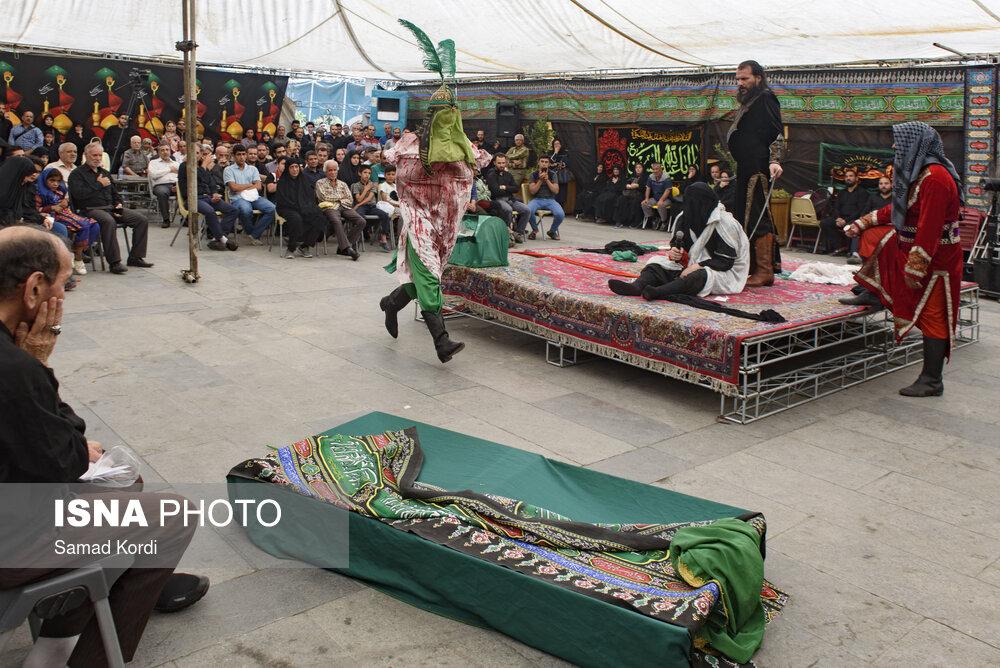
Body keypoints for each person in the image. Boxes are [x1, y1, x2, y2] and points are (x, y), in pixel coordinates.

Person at [0, 226, 208, 668]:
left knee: (124, 482)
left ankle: (123, 583)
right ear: (35, 288)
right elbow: (66, 457)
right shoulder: (14, 368)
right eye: (65, 281)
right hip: (10, 539)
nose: (68, 290)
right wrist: (38, 361)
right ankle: (66, 652)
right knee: (173, 514)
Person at [379, 61, 491, 364]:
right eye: (443, 114)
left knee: (423, 279)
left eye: (452, 115)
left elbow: (479, 163)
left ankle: (390, 304)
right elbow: (387, 158)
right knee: (429, 274)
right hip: (417, 219)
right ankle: (441, 341)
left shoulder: (463, 145)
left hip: (445, 223)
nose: (448, 120)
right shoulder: (411, 141)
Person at [841, 121, 963, 397]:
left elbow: (930, 227)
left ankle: (932, 380)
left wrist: (917, 267)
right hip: (909, 247)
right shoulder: (917, 174)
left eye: (900, 141)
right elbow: (897, 209)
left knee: (934, 316)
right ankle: (874, 293)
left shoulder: (935, 178)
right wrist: (862, 223)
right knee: (884, 244)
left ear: (917, 144)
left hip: (936, 261)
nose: (895, 146)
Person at [609, 183, 749, 300]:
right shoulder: (685, 217)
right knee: (656, 264)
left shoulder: (725, 223)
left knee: (700, 276)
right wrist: (677, 251)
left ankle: (659, 292)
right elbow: (679, 243)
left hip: (720, 269)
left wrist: (697, 266)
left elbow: (726, 261)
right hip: (690, 263)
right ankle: (637, 286)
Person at [727, 59, 785, 287]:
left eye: (745, 79)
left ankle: (765, 270)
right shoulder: (750, 100)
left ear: (758, 78)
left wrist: (775, 160)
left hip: (758, 167)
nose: (740, 83)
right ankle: (750, 266)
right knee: (744, 217)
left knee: (758, 215)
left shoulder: (766, 98)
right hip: (746, 167)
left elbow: (777, 132)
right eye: (738, 79)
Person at [68, 143, 152, 274]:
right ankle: (114, 262)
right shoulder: (77, 174)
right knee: (108, 221)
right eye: (94, 155)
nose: (97, 158)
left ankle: (136, 256)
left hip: (110, 207)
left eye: (100, 155)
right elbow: (79, 195)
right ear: (86, 155)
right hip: (90, 209)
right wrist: (98, 184)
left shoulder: (105, 173)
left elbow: (115, 193)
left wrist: (118, 205)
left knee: (141, 219)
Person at [35, 167, 101, 275]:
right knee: (83, 226)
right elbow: (35, 210)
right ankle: (78, 258)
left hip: (65, 214)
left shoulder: (60, 191)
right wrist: (51, 208)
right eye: (52, 180)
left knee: (94, 225)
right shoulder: (38, 192)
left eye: (58, 181)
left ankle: (76, 251)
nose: (55, 184)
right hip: (53, 217)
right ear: (44, 180)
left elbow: (64, 203)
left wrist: (65, 202)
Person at [179, 144, 239, 251]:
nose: (195, 156)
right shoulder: (184, 166)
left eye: (197, 153)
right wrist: (204, 166)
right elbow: (197, 178)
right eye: (193, 153)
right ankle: (223, 239)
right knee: (210, 211)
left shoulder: (203, 167)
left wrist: (214, 193)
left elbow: (211, 183)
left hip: (207, 198)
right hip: (193, 199)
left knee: (233, 210)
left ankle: (217, 238)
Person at [224, 144, 275, 245]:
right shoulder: (228, 170)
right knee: (246, 210)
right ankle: (252, 233)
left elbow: (259, 186)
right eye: (239, 154)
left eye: (243, 154)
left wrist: (241, 187)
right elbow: (233, 188)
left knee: (272, 209)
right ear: (233, 156)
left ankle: (253, 234)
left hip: (254, 197)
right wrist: (250, 185)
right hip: (238, 198)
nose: (242, 157)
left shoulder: (253, 169)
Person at [273, 159, 325, 259]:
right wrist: (299, 207)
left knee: (319, 217)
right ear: (287, 169)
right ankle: (291, 248)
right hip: (286, 208)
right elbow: (283, 200)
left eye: (296, 167)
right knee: (296, 218)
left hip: (302, 207)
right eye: (292, 167)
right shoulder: (283, 182)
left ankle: (305, 246)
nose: (295, 170)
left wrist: (308, 207)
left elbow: (309, 197)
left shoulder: (303, 180)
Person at [315, 159, 363, 260]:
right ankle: (347, 248)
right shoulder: (320, 183)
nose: (333, 172)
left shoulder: (343, 184)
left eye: (334, 170)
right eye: (330, 170)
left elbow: (349, 200)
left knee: (361, 221)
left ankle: (345, 246)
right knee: (336, 221)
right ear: (325, 172)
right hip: (329, 207)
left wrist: (338, 200)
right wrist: (340, 197)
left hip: (344, 207)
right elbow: (324, 197)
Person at [818, 168, 870, 255]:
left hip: (852, 219)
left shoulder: (862, 193)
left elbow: (860, 210)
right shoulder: (842, 192)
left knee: (850, 226)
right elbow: (836, 207)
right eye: (846, 176)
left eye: (850, 176)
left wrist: (845, 221)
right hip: (840, 218)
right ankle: (839, 247)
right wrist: (838, 218)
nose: (848, 178)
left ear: (857, 179)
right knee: (824, 223)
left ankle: (851, 251)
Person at [486, 153, 531, 240]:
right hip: (497, 200)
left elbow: (515, 189)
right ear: (494, 163)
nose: (501, 165)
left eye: (503, 163)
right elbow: (495, 191)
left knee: (527, 210)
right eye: (499, 163)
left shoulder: (508, 175)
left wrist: (504, 187)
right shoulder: (492, 175)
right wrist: (508, 189)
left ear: (506, 163)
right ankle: (507, 232)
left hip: (510, 199)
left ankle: (518, 233)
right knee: (507, 209)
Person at [352, 164, 392, 251]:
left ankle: (383, 240)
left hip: (371, 206)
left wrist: (358, 204)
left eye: (369, 173)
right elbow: (358, 199)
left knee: (385, 215)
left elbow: (370, 198)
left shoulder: (372, 185)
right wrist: (365, 189)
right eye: (365, 172)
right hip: (361, 207)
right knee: (359, 217)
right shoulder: (356, 185)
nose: (367, 175)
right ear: (360, 173)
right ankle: (357, 239)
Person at [527, 156, 565, 240]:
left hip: (550, 200)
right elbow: (532, 191)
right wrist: (540, 180)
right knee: (528, 210)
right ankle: (534, 230)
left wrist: (547, 180)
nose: (544, 164)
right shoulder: (533, 174)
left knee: (560, 214)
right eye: (542, 161)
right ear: (539, 163)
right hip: (537, 199)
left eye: (546, 162)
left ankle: (552, 231)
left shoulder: (553, 174)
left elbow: (556, 191)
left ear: (549, 164)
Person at [148, 143, 179, 228]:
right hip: (160, 185)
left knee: (185, 190)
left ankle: (186, 218)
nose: (165, 152)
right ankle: (166, 219)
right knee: (162, 193)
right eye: (162, 150)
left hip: (175, 184)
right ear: (158, 152)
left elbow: (181, 176)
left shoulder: (176, 163)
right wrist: (169, 169)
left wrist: (179, 186)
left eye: (167, 150)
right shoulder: (153, 163)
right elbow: (154, 175)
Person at [615, 162, 647, 229]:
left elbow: (646, 188)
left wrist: (638, 186)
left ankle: (635, 221)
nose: (638, 169)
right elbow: (625, 183)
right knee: (621, 199)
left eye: (640, 167)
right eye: (636, 168)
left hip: (640, 194)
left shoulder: (646, 177)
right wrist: (627, 185)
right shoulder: (631, 175)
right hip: (630, 193)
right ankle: (619, 221)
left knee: (635, 202)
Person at [642, 162, 672, 230]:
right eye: (653, 169)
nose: (655, 171)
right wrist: (646, 198)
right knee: (644, 204)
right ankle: (654, 218)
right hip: (655, 198)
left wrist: (661, 200)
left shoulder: (666, 177)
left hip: (666, 199)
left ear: (661, 169)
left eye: (657, 169)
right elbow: (648, 188)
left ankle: (664, 222)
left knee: (661, 205)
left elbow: (667, 191)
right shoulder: (651, 176)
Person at [549, 138, 570, 206]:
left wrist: (555, 164)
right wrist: (556, 152)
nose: (557, 145)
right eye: (555, 144)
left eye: (558, 144)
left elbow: (563, 164)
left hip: (561, 176)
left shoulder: (565, 153)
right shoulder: (551, 153)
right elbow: (550, 162)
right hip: (553, 176)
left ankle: (560, 207)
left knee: (562, 192)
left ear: (561, 145)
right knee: (553, 192)